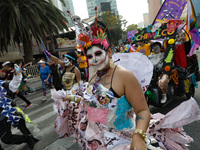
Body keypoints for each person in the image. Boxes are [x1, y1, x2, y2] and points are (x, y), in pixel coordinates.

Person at [0, 67, 40, 150]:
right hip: (4, 112)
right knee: (7, 137)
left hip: (6, 111)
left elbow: (12, 86)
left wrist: (17, 75)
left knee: (19, 124)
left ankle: (29, 138)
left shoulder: (2, 84)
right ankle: (29, 138)